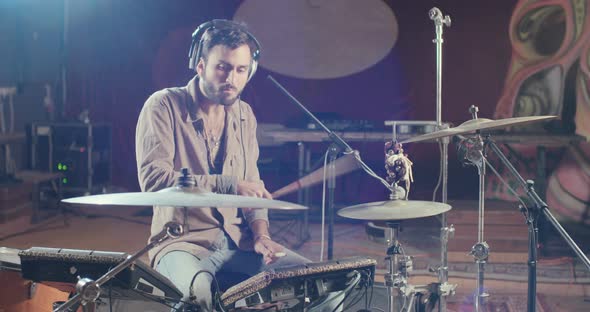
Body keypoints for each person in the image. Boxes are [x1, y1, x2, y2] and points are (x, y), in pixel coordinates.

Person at [136, 20, 340, 311]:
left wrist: (261, 236)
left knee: (326, 288)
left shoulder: (245, 115)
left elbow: (252, 189)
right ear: (200, 65)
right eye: (222, 67)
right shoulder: (163, 106)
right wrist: (228, 184)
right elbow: (155, 180)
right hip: (183, 243)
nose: (231, 78)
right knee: (198, 299)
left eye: (241, 70)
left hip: (239, 243)